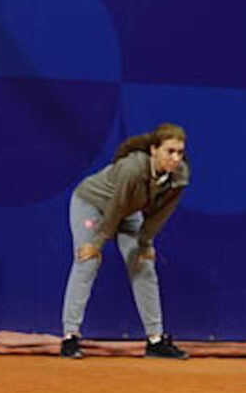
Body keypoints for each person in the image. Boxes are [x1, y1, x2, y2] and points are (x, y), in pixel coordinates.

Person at [60, 123, 191, 361]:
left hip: (128, 211)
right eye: (169, 151)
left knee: (143, 267)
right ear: (154, 150)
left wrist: (145, 243)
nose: (175, 158)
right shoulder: (132, 168)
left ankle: (155, 341)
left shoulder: (179, 175)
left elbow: (159, 215)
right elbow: (115, 206)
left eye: (180, 153)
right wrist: (97, 243)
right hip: (93, 204)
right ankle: (70, 337)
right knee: (88, 261)